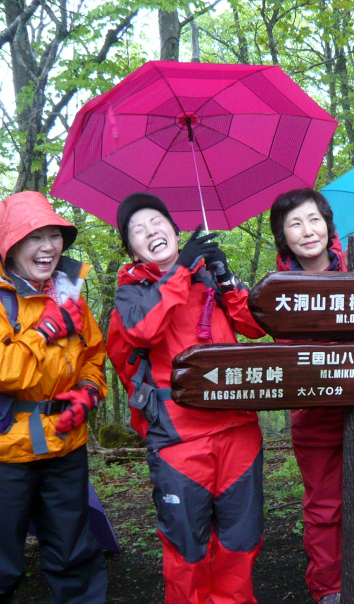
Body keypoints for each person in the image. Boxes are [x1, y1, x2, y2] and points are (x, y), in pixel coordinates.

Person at [107, 193, 267, 604]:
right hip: (179, 442)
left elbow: (254, 328)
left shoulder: (209, 278)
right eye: (138, 230)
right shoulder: (131, 294)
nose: (151, 231)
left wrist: (226, 279)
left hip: (239, 431)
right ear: (132, 249)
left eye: (157, 221)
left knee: (240, 544)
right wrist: (178, 271)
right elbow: (142, 332)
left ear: (176, 230)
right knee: (186, 551)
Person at [0, 191, 107, 603]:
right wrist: (43, 331)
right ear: (11, 246)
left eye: (54, 235)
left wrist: (89, 394)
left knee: (74, 554)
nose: (47, 247)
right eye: (34, 237)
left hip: (63, 444)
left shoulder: (70, 293)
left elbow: (94, 355)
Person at [269, 188, 347, 604]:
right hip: (314, 416)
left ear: (327, 223)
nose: (307, 230)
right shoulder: (278, 288)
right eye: (295, 223)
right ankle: (328, 587)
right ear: (284, 236)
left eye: (314, 219)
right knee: (324, 507)